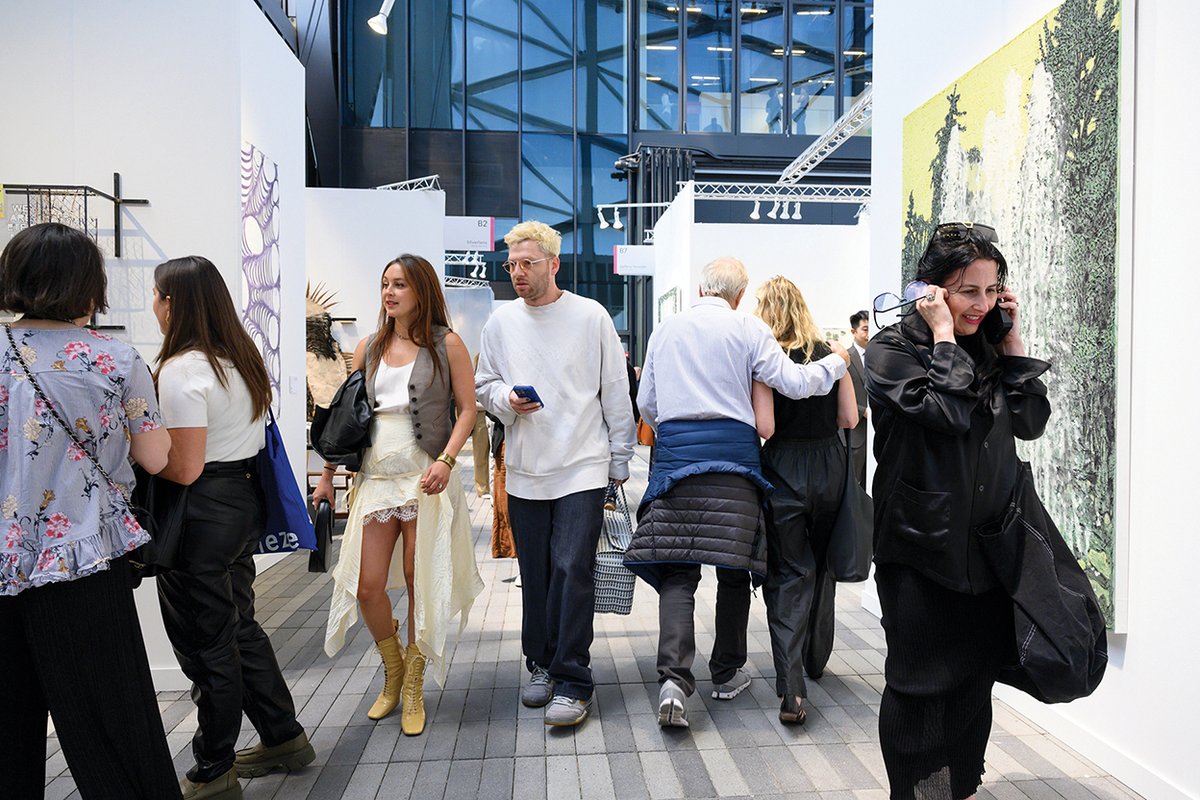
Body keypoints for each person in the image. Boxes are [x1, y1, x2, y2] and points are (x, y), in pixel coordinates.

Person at [626, 257, 850, 729]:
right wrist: (837, 361)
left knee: (678, 574)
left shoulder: (665, 331)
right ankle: (726, 674)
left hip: (677, 464)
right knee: (733, 570)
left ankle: (673, 680)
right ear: (739, 296)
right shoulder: (748, 330)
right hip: (734, 466)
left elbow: (646, 403)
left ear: (700, 288)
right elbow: (794, 383)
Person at [866, 222, 1049, 798]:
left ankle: (959, 786)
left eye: (993, 290)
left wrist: (1012, 344)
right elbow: (943, 416)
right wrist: (945, 338)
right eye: (969, 290)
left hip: (986, 547)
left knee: (973, 683)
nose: (983, 304)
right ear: (933, 290)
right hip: (918, 548)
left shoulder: (989, 348)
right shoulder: (891, 348)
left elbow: (1029, 423)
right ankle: (915, 791)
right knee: (919, 684)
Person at [0, 223, 180, 799]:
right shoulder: (114, 358)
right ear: (87, 284)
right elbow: (155, 456)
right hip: (81, 559)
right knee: (113, 721)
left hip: (3, 561)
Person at [151, 256, 315, 800]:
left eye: (158, 296)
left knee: (208, 644)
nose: (154, 306)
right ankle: (282, 737)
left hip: (200, 515)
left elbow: (183, 467)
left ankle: (213, 768)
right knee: (239, 627)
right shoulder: (239, 359)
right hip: (243, 506)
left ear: (173, 304)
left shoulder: (181, 370)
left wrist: (138, 446)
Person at [475, 220, 635, 727]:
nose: (517, 273)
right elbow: (484, 386)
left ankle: (573, 678)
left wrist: (619, 460)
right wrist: (505, 399)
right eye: (511, 265)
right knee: (537, 573)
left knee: (573, 568)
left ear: (554, 263)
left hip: (583, 466)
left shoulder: (590, 317)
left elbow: (615, 391)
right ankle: (540, 662)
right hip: (525, 469)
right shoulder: (500, 324)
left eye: (527, 264)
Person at [315, 254, 483, 736]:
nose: (390, 293)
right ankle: (393, 668)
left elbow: (468, 410)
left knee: (417, 579)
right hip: (376, 476)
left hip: (424, 475)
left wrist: (447, 461)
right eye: (385, 284)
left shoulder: (446, 344)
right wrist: (328, 473)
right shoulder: (368, 347)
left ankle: (413, 684)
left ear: (421, 291)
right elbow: (348, 416)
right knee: (368, 586)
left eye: (400, 285)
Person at [754, 276, 859, 725]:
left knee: (788, 572)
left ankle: (792, 687)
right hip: (830, 466)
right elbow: (850, 418)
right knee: (820, 565)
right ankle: (817, 659)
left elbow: (766, 427)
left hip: (784, 469)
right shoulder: (831, 355)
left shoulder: (766, 361)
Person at [848, 310, 870, 488]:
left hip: (878, 431)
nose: (869, 334)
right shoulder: (845, 358)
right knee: (854, 483)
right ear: (853, 332)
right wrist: (863, 411)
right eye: (865, 329)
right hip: (855, 433)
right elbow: (840, 396)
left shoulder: (881, 355)